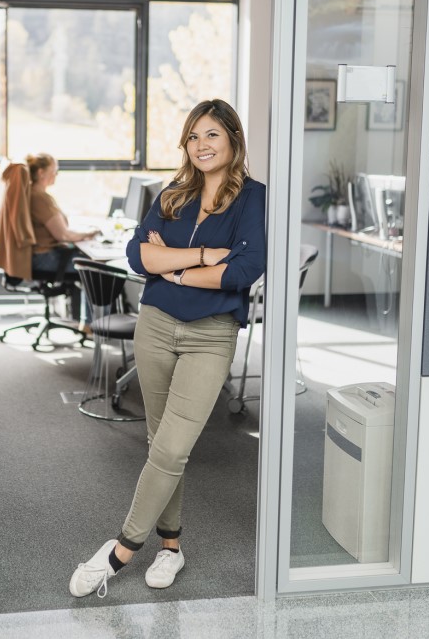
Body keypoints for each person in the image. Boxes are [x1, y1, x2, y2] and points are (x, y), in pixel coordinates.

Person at [68, 98, 266, 598]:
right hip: (154, 326)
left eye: (212, 135)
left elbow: (244, 270)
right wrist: (200, 258)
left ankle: (119, 551)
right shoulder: (173, 193)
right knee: (160, 444)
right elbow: (139, 255)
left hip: (211, 332)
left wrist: (171, 266)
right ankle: (171, 548)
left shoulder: (255, 199)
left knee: (175, 446)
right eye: (193, 137)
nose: (201, 145)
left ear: (233, 141)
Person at [27, 153, 99, 321]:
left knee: (89, 261)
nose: (56, 175)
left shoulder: (36, 194)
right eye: (54, 170)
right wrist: (89, 234)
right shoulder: (39, 198)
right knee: (95, 268)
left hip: (41, 255)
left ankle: (87, 321)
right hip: (45, 258)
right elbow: (64, 234)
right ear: (40, 172)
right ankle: (90, 324)